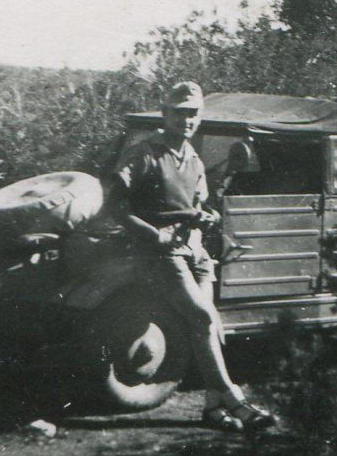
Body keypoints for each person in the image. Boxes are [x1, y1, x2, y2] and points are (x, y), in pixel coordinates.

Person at [109, 81, 277, 433]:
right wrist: (155, 235)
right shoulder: (144, 154)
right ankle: (234, 398)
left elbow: (196, 203)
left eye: (193, 114)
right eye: (180, 113)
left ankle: (212, 408)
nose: (187, 120)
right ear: (165, 114)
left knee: (208, 324)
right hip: (161, 253)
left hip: (195, 250)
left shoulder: (193, 158)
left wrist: (205, 216)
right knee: (201, 318)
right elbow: (116, 207)